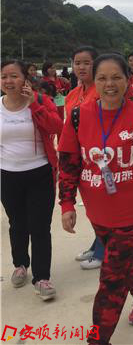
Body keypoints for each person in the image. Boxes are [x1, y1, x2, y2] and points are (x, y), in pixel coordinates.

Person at [58, 53, 133, 345]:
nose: (109, 84)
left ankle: (98, 339)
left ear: (128, 80)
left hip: (132, 208)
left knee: (111, 279)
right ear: (93, 80)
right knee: (123, 261)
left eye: (116, 77)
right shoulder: (78, 116)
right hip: (97, 208)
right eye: (102, 78)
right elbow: (69, 163)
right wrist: (67, 204)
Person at [1, 60, 63, 301]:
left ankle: (42, 277)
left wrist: (33, 105)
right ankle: (20, 264)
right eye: (4, 77)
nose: (8, 81)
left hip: (39, 173)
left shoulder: (40, 100)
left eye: (14, 76)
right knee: (17, 223)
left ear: (25, 79)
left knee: (39, 226)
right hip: (7, 175)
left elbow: (56, 126)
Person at [65, 46, 105, 270]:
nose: (81, 67)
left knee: (102, 205)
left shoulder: (102, 91)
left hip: (99, 156)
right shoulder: (73, 94)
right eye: (77, 62)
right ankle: (97, 243)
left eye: (86, 63)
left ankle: (102, 250)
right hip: (78, 157)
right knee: (90, 204)